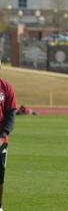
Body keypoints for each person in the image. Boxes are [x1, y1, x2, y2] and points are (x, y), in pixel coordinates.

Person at [0, 61, 17, 211]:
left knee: (0, 176)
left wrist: (3, 134)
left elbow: (11, 115)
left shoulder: (6, 87)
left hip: (1, 140)